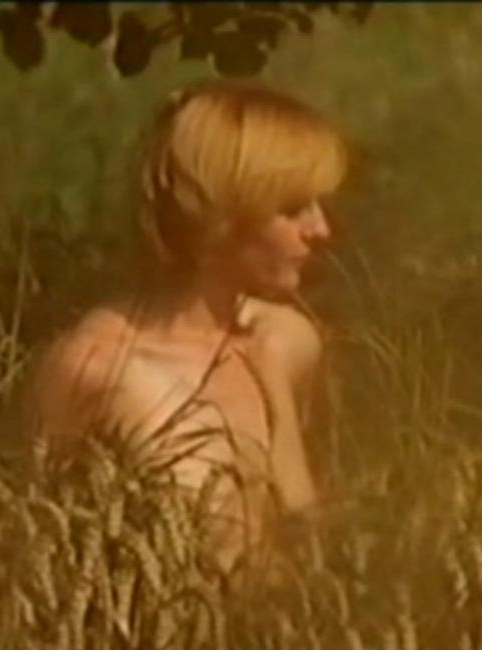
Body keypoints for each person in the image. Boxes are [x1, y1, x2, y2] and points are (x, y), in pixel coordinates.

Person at [21, 79, 347, 574]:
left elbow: (305, 544)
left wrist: (275, 392)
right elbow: (20, 545)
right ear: (219, 216)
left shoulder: (287, 342)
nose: (321, 230)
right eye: (291, 209)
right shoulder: (93, 367)